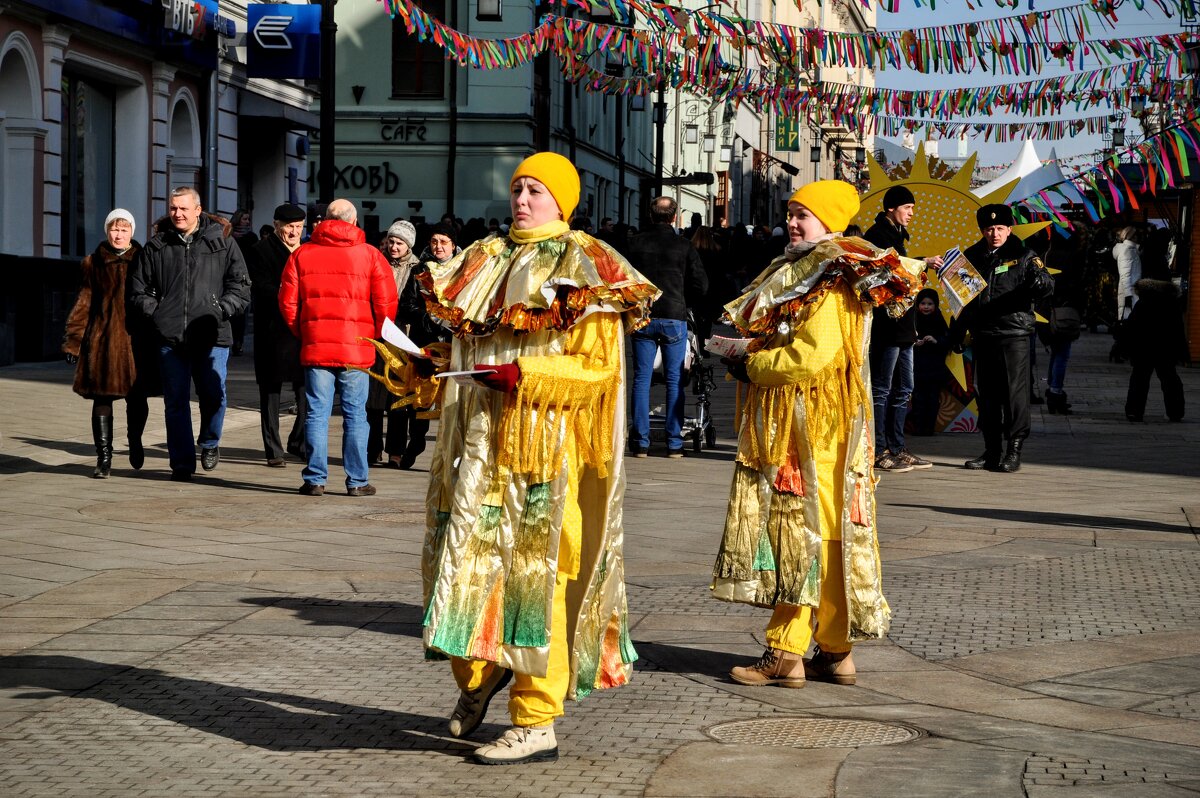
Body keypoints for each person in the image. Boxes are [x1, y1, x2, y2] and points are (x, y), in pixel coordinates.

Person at [419, 152, 657, 765]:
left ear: (563, 201)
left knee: (534, 580)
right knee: (457, 570)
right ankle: (478, 680)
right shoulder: (484, 258)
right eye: (518, 187)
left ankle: (536, 719)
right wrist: (422, 367)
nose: (522, 199)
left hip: (543, 453)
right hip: (475, 450)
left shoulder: (590, 265)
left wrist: (523, 373)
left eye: (537, 191)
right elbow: (463, 346)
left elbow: (598, 370)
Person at [713, 179, 922, 689]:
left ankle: (785, 652)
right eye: (791, 212)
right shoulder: (814, 265)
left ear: (830, 220)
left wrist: (749, 362)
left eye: (803, 213)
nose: (793, 221)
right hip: (823, 426)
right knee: (829, 532)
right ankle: (835, 649)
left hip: (809, 426)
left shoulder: (832, 270)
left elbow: (812, 355)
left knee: (797, 530)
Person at [128, 187, 250, 481]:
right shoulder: (157, 246)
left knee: (214, 395)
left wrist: (222, 309)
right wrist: (157, 312)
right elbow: (138, 289)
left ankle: (209, 440)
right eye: (173, 208)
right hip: (170, 338)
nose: (177, 214)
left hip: (212, 335)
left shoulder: (222, 242)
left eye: (183, 208)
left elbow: (241, 285)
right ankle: (181, 464)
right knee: (176, 402)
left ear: (198, 210)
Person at [279, 199, 397, 497]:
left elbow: (288, 303)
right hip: (357, 347)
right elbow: (385, 302)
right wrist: (377, 337)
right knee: (356, 414)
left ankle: (315, 478)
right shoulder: (370, 255)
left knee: (316, 413)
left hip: (317, 345)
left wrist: (305, 331)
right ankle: (357, 481)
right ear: (354, 222)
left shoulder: (302, 254)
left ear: (325, 221)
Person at [948, 204, 1053, 473]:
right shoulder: (972, 256)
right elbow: (964, 299)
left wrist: (1038, 283)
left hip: (1013, 333)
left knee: (1014, 394)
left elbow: (1045, 284)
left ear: (1009, 229)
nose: (994, 234)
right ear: (983, 230)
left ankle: (1013, 449)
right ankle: (991, 450)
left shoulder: (1024, 255)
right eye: (989, 229)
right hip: (983, 334)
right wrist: (957, 333)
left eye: (999, 228)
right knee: (988, 395)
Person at [62, 209, 156, 478]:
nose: (119, 234)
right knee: (102, 399)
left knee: (137, 399)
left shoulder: (143, 259)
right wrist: (73, 342)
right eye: (115, 229)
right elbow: (84, 302)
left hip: (136, 341)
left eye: (124, 229)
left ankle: (135, 441)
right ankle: (104, 457)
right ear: (107, 231)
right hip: (102, 341)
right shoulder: (92, 263)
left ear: (132, 232)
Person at [863, 185, 941, 473]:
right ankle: (879, 449)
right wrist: (923, 262)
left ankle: (897, 447)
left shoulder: (896, 234)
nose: (911, 214)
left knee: (904, 388)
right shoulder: (877, 236)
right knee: (882, 389)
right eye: (907, 208)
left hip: (905, 326)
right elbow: (887, 269)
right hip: (888, 327)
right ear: (892, 208)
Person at [626, 196, 707, 457]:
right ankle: (674, 443)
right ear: (674, 217)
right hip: (674, 314)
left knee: (641, 379)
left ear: (650, 216)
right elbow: (700, 285)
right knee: (675, 380)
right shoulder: (683, 246)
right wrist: (684, 302)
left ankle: (640, 442)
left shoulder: (634, 244)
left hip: (643, 316)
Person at [245, 203, 308, 467]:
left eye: (299, 227)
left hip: (301, 329)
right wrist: (290, 294)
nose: (294, 232)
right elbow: (261, 288)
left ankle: (299, 440)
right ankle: (273, 449)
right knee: (270, 390)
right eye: (289, 227)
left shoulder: (308, 251)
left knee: (306, 388)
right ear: (276, 225)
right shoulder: (260, 251)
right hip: (271, 329)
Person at [366, 220, 419, 468]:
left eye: (399, 243)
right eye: (391, 241)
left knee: (398, 398)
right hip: (377, 337)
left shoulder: (418, 268)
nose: (394, 246)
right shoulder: (376, 261)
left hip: (402, 338)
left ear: (408, 245)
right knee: (374, 397)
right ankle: (372, 447)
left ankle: (395, 452)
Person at [1123, 278, 1186, 422]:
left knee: (1139, 379)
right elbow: (1178, 329)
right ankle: (1175, 412)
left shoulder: (1143, 303)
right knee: (1170, 379)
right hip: (1165, 349)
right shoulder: (1172, 303)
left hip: (1144, 348)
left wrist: (1126, 348)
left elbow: (1131, 327)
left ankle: (1134, 411)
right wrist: (1182, 351)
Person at [910, 287, 949, 435]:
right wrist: (915, 342)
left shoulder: (940, 319)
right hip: (917, 366)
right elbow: (907, 337)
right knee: (918, 398)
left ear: (936, 305)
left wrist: (935, 340)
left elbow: (947, 340)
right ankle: (918, 428)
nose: (926, 307)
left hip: (935, 368)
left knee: (933, 398)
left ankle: (929, 428)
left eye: (930, 304)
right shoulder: (913, 319)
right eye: (923, 303)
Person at [1112, 226, 1142, 322]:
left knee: (1128, 320)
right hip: (1130, 291)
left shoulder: (1131, 250)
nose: (1138, 237)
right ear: (1131, 236)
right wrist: (1128, 294)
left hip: (1130, 290)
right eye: (1136, 235)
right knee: (1128, 320)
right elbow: (1125, 274)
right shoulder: (1127, 251)